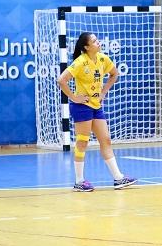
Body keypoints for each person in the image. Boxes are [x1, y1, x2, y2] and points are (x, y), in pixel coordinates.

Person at [57, 32, 137, 192]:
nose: (98, 42)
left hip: (96, 105)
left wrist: (104, 91)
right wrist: (74, 97)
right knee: (82, 142)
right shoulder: (80, 62)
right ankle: (79, 181)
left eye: (97, 40)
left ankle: (118, 178)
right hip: (82, 107)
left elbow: (114, 74)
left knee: (106, 140)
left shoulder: (102, 58)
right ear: (86, 47)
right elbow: (61, 80)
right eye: (94, 41)